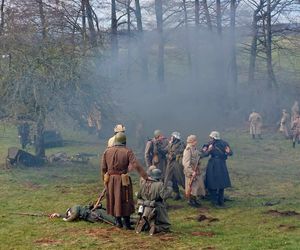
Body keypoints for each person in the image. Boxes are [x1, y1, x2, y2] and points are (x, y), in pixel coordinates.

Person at [101, 132, 148, 230]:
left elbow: (103, 169)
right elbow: (136, 165)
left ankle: (118, 222)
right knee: (126, 199)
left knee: (114, 199)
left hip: (110, 180)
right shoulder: (127, 151)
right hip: (123, 180)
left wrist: (105, 181)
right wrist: (145, 177)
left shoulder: (106, 151)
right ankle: (126, 224)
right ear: (124, 141)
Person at [136, 168, 172, 235]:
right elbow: (164, 196)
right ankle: (156, 228)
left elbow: (138, 196)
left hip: (144, 207)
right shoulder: (160, 184)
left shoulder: (144, 183)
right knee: (166, 226)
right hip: (156, 208)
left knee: (147, 221)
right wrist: (169, 188)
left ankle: (143, 224)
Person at [202, 131, 232, 208]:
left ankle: (221, 201)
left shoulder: (223, 143)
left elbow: (230, 152)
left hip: (220, 164)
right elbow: (204, 154)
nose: (210, 139)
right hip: (213, 165)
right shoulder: (209, 144)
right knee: (213, 183)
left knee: (221, 183)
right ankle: (214, 202)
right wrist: (208, 149)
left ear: (213, 137)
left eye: (211, 137)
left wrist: (228, 152)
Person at [182, 135, 205, 208]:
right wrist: (191, 172)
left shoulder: (193, 148)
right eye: (195, 140)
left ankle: (194, 200)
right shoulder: (188, 150)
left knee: (196, 186)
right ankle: (191, 201)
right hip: (191, 171)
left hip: (196, 170)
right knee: (191, 186)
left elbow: (198, 155)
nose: (196, 142)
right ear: (192, 141)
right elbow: (185, 163)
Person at [164, 131, 185, 200]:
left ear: (175, 138)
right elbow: (165, 151)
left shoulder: (181, 144)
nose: (171, 137)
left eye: (172, 136)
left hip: (177, 164)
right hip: (170, 164)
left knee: (181, 179)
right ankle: (176, 193)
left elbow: (181, 151)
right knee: (169, 179)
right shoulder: (170, 144)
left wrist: (173, 155)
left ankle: (190, 194)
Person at [50, 203, 116, 225]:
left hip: (96, 213)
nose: (68, 216)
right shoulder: (73, 211)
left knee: (113, 219)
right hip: (94, 217)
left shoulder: (74, 208)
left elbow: (74, 215)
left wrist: (67, 220)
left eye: (68, 214)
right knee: (110, 221)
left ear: (69, 210)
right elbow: (69, 216)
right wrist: (58, 215)